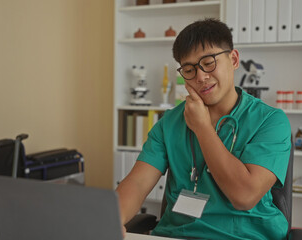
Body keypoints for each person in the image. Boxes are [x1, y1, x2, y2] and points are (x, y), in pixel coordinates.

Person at [116, 18, 291, 240]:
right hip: (177, 235)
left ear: (234, 59)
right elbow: (138, 183)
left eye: (209, 63)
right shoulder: (169, 123)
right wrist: (112, 219)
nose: (201, 77)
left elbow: (244, 196)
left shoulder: (270, 121)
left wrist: (202, 127)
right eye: (189, 69)